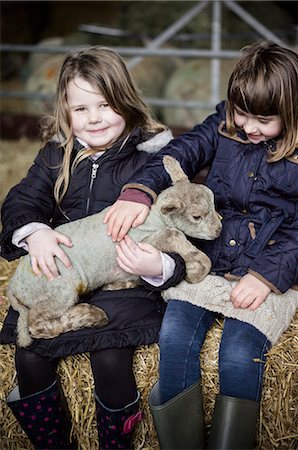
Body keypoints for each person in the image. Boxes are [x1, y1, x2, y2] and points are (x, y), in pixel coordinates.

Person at [103, 41, 298, 449]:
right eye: (241, 112)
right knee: (173, 335)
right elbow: (180, 152)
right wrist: (138, 191)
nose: (248, 126)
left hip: (269, 265)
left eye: (263, 119)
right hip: (209, 257)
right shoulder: (223, 125)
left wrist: (267, 276)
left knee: (238, 353)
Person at [0, 46, 186, 449]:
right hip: (69, 271)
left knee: (110, 354)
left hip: (127, 282)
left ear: (126, 101)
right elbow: (22, 200)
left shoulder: (151, 160)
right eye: (81, 109)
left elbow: (177, 225)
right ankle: (53, 442)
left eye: (105, 104)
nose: (94, 117)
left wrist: (159, 264)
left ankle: (113, 442)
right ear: (65, 112)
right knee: (29, 350)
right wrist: (36, 233)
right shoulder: (57, 154)